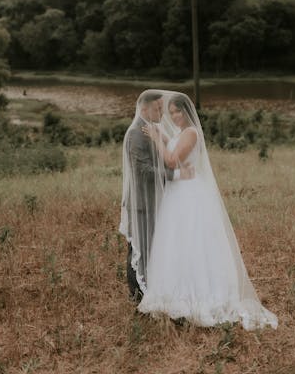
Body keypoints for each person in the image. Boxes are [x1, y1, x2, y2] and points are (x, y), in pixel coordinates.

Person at [136, 90, 278, 331]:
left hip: (189, 193)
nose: (174, 116)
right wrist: (161, 134)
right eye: (171, 112)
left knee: (194, 241)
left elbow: (171, 160)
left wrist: (157, 139)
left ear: (187, 112)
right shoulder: (180, 132)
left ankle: (201, 296)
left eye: (177, 111)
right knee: (176, 241)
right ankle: (173, 295)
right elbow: (173, 153)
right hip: (177, 192)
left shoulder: (191, 133)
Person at [119, 90, 193, 300]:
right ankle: (137, 296)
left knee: (150, 249)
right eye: (158, 108)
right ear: (144, 109)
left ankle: (148, 290)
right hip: (141, 203)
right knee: (138, 250)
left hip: (154, 201)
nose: (162, 112)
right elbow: (143, 171)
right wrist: (177, 174)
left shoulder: (152, 129)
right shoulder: (135, 133)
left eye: (163, 108)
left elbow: (166, 156)